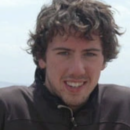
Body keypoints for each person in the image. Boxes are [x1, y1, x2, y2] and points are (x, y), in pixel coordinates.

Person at [0, 0, 130, 130]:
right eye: (64, 53)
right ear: (41, 58)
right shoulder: (8, 109)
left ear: (104, 60)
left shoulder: (123, 110)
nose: (77, 70)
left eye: (89, 54)